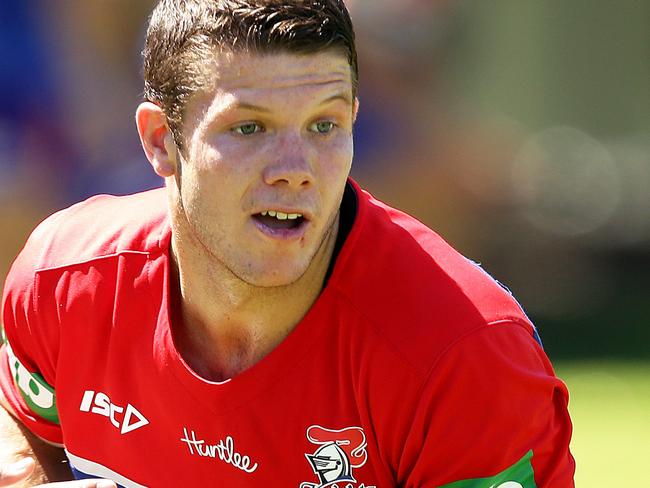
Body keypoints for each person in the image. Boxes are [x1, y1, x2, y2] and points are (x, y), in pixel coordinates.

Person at [0, 0, 575, 486]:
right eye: (249, 128)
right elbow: (24, 435)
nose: (296, 170)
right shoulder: (63, 281)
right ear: (159, 141)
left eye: (324, 126)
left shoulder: (464, 355)